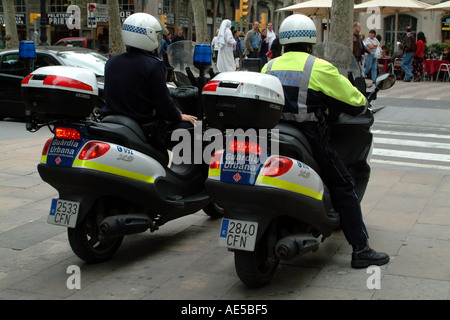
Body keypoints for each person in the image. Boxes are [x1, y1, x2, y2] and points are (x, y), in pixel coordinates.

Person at [261, 14, 389, 269]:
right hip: (309, 139)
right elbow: (356, 101)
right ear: (311, 42)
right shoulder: (318, 67)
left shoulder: (269, 67)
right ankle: (360, 249)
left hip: (272, 138)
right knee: (344, 185)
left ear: (283, 41)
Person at [101, 13, 196, 149]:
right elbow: (164, 104)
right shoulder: (153, 65)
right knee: (192, 128)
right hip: (143, 126)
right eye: (156, 35)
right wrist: (179, 116)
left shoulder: (112, 62)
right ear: (147, 35)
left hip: (115, 123)